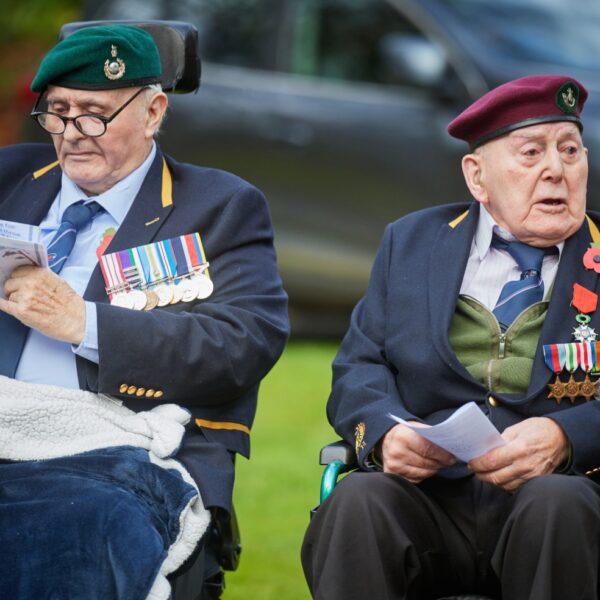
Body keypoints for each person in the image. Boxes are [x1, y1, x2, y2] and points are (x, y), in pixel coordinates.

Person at [0, 24, 289, 598]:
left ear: (154, 111)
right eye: (57, 112)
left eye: (94, 114)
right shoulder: (7, 179)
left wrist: (85, 324)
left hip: (113, 452)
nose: (72, 134)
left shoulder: (217, 206)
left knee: (76, 525)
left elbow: (243, 342)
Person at [301, 75, 600, 600]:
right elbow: (359, 369)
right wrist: (388, 433)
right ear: (477, 176)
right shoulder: (412, 241)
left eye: (570, 150)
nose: (557, 169)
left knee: (558, 503)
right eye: (531, 152)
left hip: (563, 506)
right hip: (431, 502)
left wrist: (567, 436)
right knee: (359, 501)